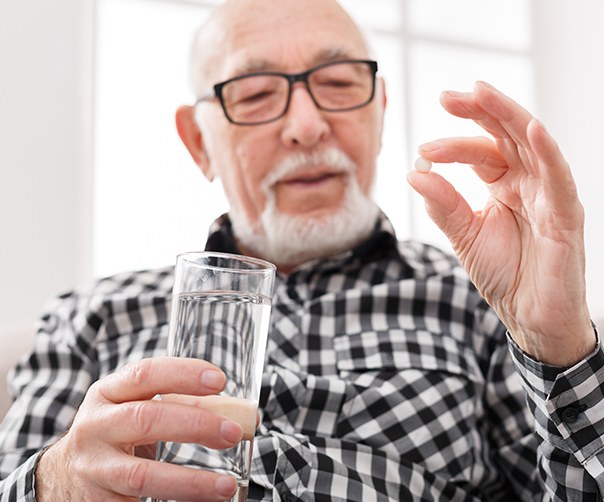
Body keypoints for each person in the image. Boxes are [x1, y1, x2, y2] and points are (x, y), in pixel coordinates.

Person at [0, 0, 602, 500]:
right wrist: (57, 481)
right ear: (198, 142)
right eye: (257, 94)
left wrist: (557, 344)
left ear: (379, 113)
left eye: (340, 84)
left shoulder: (480, 301)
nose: (308, 126)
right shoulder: (93, 316)